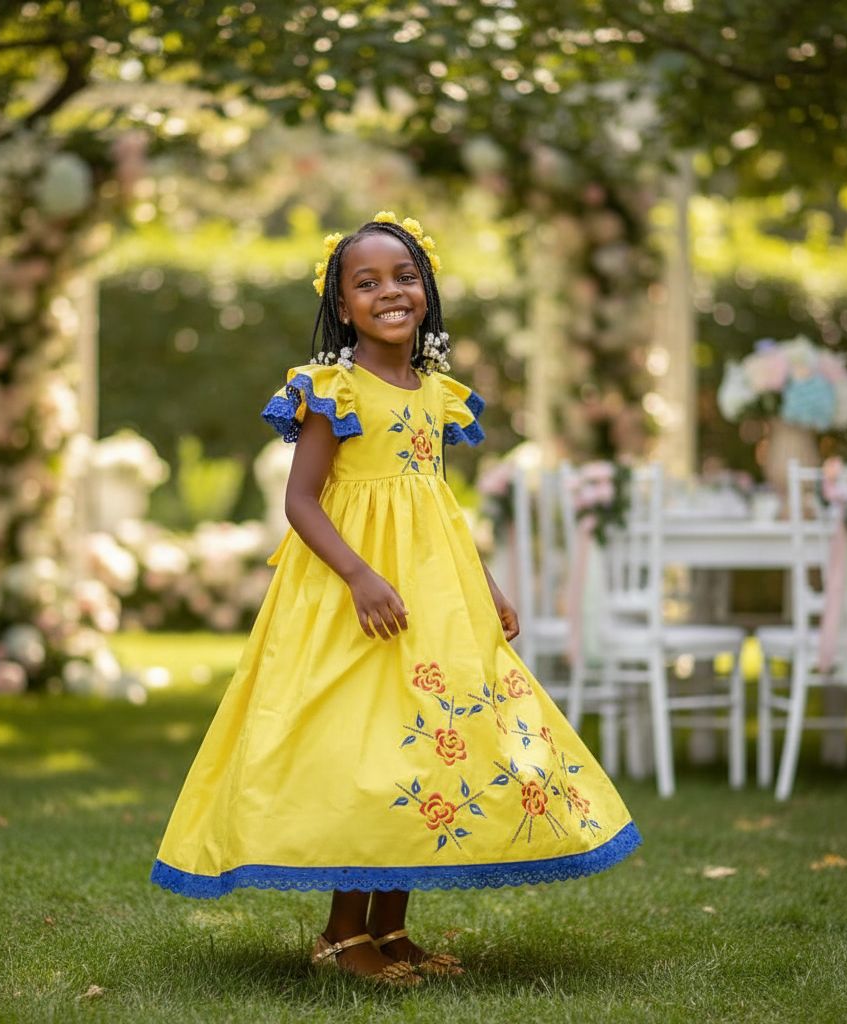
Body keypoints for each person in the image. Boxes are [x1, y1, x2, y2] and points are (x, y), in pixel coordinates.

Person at [150, 211, 641, 986]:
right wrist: (358, 575)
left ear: (427, 291)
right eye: (368, 282)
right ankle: (343, 934)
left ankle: (393, 927)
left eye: (405, 277)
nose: (390, 292)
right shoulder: (332, 389)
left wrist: (486, 585)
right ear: (343, 306)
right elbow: (303, 501)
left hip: (433, 594)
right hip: (356, 597)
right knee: (366, 747)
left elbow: (436, 503)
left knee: (428, 740)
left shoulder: (436, 395)